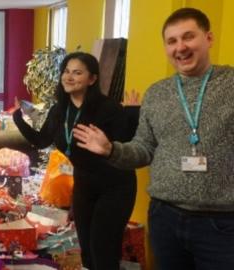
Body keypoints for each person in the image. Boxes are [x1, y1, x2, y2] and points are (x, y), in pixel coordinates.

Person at [73, 7, 234, 270]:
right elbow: (144, 149)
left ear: (209, 38)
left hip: (222, 224)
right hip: (165, 218)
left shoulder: (230, 84)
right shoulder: (157, 94)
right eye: (172, 41)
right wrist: (111, 149)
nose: (180, 47)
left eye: (188, 37)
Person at [13, 52, 137, 270]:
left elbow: (128, 144)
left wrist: (133, 114)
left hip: (115, 186)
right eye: (66, 71)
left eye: (77, 72)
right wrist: (18, 118)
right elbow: (41, 141)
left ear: (92, 79)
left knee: (103, 248)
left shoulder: (107, 108)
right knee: (87, 249)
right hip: (84, 185)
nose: (69, 77)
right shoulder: (59, 110)